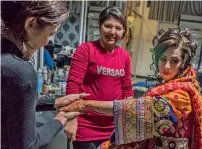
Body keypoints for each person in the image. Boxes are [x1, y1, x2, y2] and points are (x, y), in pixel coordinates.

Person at [58, 27, 202, 149]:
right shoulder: (168, 86)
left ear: (184, 62)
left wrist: (85, 104)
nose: (166, 66)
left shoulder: (182, 95)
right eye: (163, 59)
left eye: (174, 61)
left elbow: (135, 112)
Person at [1, 1, 84, 149]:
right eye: (50, 34)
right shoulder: (20, 72)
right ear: (31, 23)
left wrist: (51, 104)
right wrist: (60, 119)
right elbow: (28, 145)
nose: (47, 42)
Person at [65, 7, 133, 149]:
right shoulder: (86, 50)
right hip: (86, 127)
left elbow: (127, 90)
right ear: (100, 26)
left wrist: (129, 123)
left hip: (114, 129)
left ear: (124, 31)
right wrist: (71, 119)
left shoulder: (125, 56)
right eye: (108, 26)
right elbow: (73, 86)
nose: (112, 32)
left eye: (118, 28)